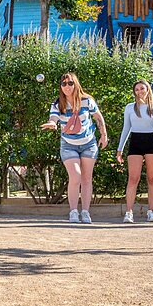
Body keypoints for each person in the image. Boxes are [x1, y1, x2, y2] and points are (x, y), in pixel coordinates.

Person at [41, 73, 108, 224]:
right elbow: (54, 118)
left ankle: (85, 212)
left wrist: (104, 135)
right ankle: (73, 212)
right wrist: (52, 124)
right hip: (68, 144)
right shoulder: (58, 104)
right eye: (63, 84)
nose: (67, 86)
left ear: (75, 84)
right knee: (75, 176)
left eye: (70, 83)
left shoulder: (87, 100)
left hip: (89, 144)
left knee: (86, 178)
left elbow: (98, 117)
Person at [116, 81, 153, 223]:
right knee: (133, 178)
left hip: (151, 142)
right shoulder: (130, 107)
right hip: (135, 142)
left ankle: (151, 212)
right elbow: (126, 128)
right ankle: (129, 212)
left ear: (148, 89)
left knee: (152, 178)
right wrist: (120, 149)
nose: (139, 91)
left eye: (142, 88)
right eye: (137, 89)